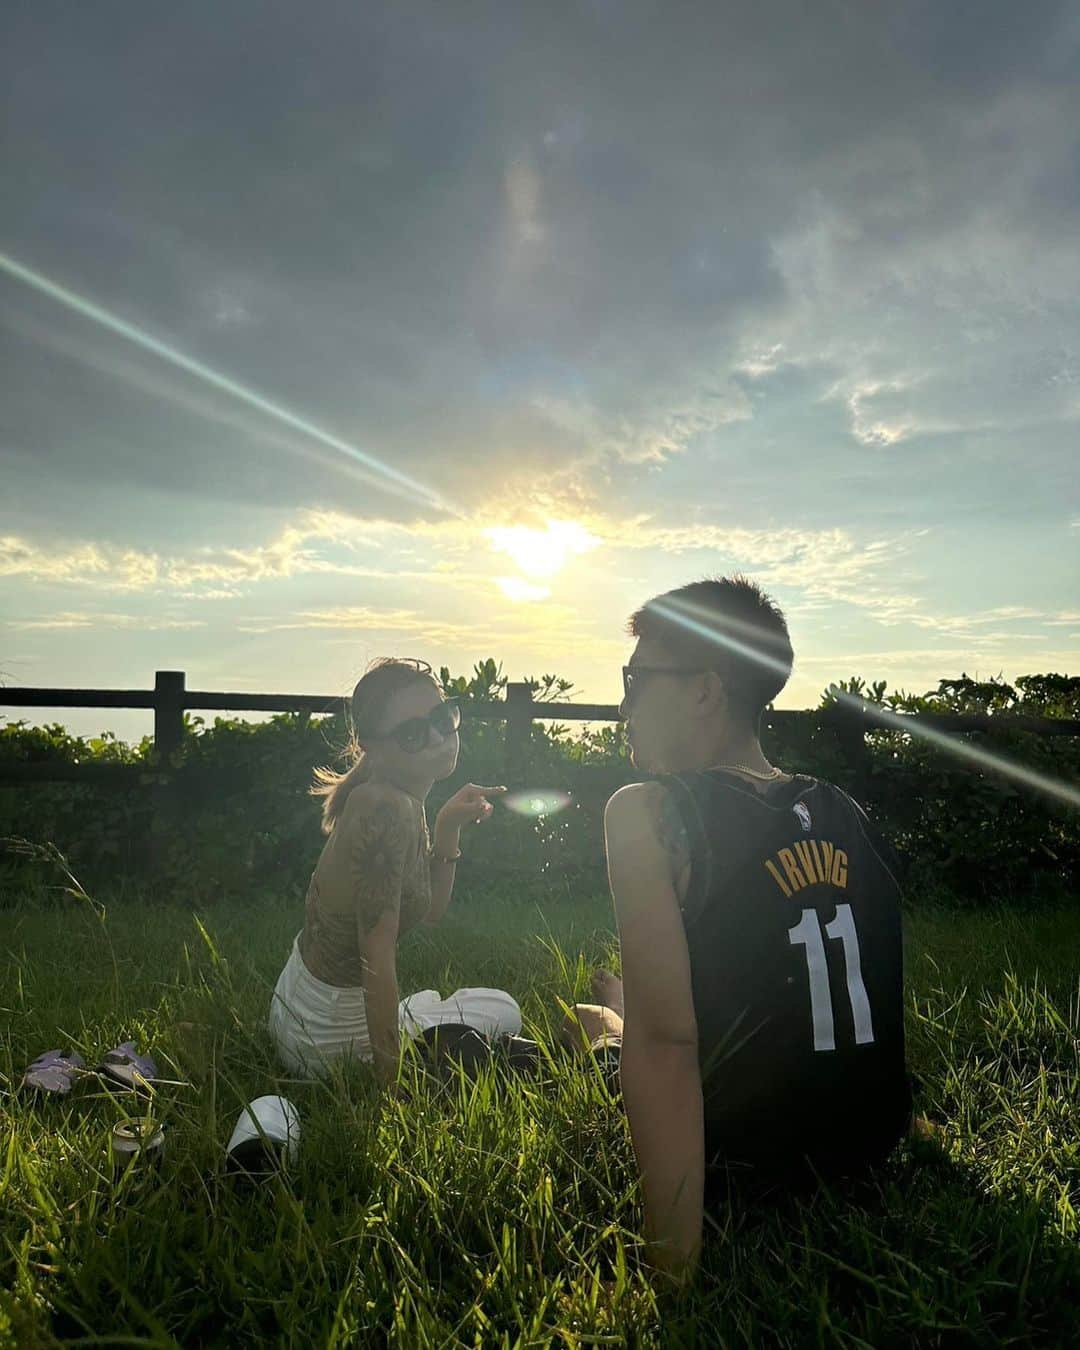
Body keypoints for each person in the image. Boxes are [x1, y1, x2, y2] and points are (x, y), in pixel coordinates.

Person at [560, 576, 914, 1282]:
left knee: (592, 1025)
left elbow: (667, 1047)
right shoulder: (844, 810)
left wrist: (671, 1272)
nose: (624, 704)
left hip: (745, 1161)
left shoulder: (645, 811)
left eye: (637, 678)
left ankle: (608, 1018)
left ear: (704, 690)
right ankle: (624, 999)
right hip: (869, 1146)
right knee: (655, 994)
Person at [268, 658, 522, 1084]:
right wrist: (391, 1084)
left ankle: (415, 1025)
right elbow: (377, 959)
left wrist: (447, 827)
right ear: (372, 746)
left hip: (301, 1010)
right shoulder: (385, 809)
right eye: (413, 733)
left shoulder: (401, 800)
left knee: (490, 1004)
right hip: (324, 1041)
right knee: (505, 1013)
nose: (439, 737)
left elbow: (429, 912)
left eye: (442, 717)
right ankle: (399, 1044)